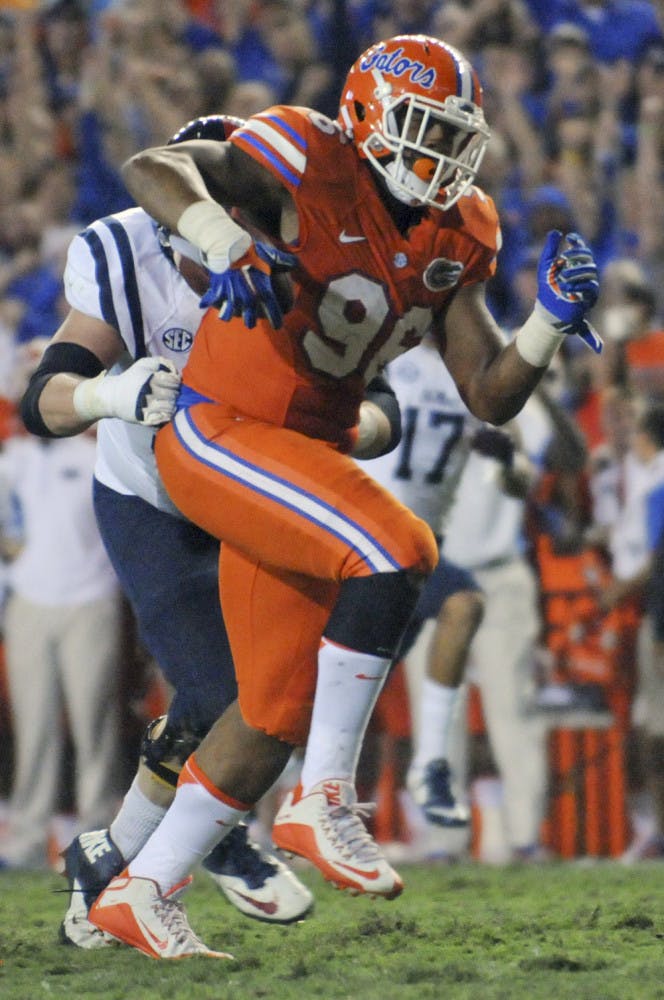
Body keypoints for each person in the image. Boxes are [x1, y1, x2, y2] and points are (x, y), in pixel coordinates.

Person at [86, 33, 599, 958]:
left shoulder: (459, 226)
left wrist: (548, 325)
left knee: (271, 710)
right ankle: (328, 799)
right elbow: (155, 164)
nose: (444, 157)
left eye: (458, 138)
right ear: (370, 115)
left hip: (300, 454)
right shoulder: (309, 153)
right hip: (224, 427)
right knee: (400, 545)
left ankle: (141, 888)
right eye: (424, 130)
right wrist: (226, 239)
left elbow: (488, 392)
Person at [18, 115, 316, 946]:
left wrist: (341, 430)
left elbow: (382, 412)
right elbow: (39, 401)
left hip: (249, 496)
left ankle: (107, 858)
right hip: (150, 499)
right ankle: (211, 841)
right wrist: (109, 396)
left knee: (234, 693)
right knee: (236, 695)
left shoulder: (297, 263)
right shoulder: (122, 254)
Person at [0, 417, 124, 871]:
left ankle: (96, 837)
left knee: (95, 724)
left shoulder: (94, 456)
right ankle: (28, 839)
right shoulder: (11, 460)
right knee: (33, 727)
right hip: (28, 603)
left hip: (89, 602)